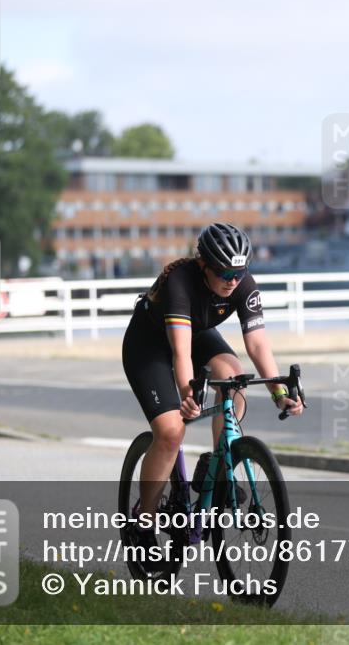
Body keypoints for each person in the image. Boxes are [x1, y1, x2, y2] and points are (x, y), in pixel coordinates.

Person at [122, 223, 303, 554]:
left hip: (197, 334)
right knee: (171, 431)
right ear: (203, 264)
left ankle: (219, 463)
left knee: (234, 377)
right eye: (223, 272)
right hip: (150, 346)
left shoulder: (242, 284)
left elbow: (258, 344)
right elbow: (180, 352)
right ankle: (143, 520)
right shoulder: (180, 282)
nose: (232, 280)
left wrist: (280, 392)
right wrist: (189, 394)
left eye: (238, 272)